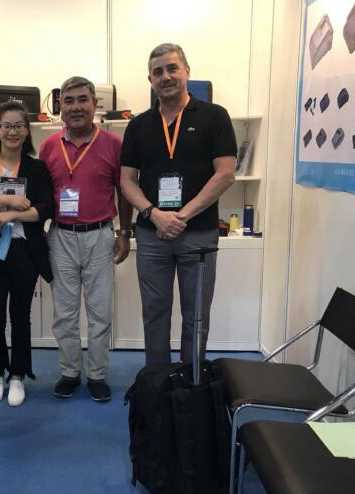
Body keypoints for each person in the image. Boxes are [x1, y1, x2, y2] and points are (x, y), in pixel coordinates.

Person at [120, 43, 237, 365]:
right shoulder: (139, 125)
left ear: (187, 71)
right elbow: (126, 180)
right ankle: (158, 380)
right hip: (152, 235)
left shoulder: (214, 116)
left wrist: (180, 216)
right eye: (157, 71)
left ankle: (191, 382)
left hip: (198, 234)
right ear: (150, 79)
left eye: (172, 68)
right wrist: (153, 214)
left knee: (196, 315)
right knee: (154, 313)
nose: (166, 76)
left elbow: (225, 174)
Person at [39, 76, 133, 402]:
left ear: (94, 104)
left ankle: (97, 374)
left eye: (83, 100)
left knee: (100, 312)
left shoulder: (113, 144)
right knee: (64, 314)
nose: (76, 107)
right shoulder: (49, 147)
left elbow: (124, 191)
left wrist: (124, 232)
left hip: (100, 236)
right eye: (69, 101)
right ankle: (69, 371)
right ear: (60, 107)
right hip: (61, 237)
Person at [0, 101, 54, 407]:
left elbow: (46, 208)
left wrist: (13, 215)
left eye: (19, 126)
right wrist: (4, 203)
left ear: (27, 131)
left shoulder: (37, 168)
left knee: (21, 315)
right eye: (7, 126)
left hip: (25, 250)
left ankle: (19, 375)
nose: (13, 132)